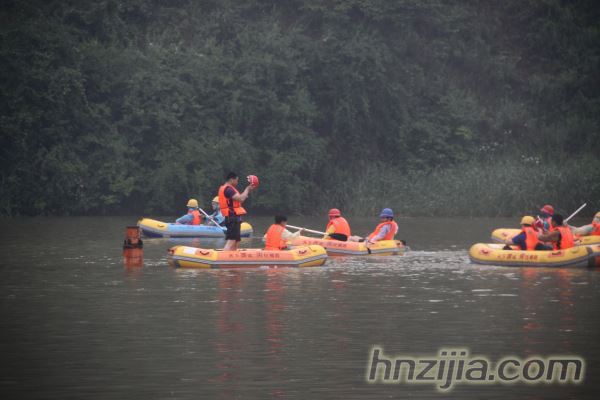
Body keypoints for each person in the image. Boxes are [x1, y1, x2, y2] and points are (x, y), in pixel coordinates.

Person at [218, 172, 254, 251]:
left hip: (234, 217)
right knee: (232, 239)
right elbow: (241, 198)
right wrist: (247, 189)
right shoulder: (228, 189)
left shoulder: (229, 189)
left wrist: (246, 193)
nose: (237, 182)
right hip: (232, 217)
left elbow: (240, 199)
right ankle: (224, 256)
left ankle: (233, 256)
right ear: (231, 180)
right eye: (236, 180)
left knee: (236, 240)